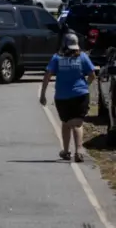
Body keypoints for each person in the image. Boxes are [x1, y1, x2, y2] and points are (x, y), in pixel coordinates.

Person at [40, 33, 96, 163]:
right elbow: (92, 74)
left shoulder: (56, 58)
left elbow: (47, 75)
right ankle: (78, 150)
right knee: (77, 123)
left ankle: (66, 151)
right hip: (80, 95)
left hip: (62, 97)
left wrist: (43, 94)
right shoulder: (83, 57)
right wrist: (85, 85)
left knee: (66, 122)